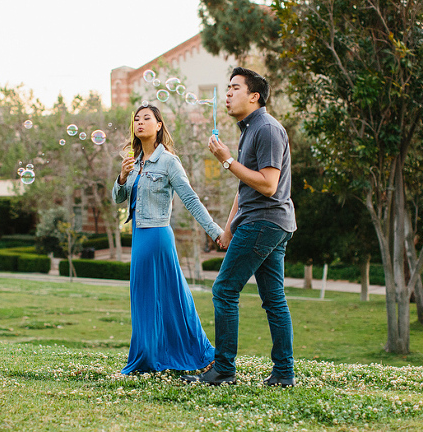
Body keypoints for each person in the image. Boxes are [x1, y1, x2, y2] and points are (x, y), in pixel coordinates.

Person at [183, 67, 297, 387]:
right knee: (274, 299)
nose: (228, 94)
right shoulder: (249, 129)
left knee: (224, 289)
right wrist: (230, 225)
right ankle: (284, 373)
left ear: (254, 96)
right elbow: (243, 188)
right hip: (265, 221)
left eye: (234, 88)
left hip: (264, 220)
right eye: (227, 88)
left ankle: (223, 369)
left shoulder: (267, 129)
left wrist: (225, 160)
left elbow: (269, 185)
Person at [112, 104, 225, 375]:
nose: (139, 123)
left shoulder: (169, 162)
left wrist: (215, 231)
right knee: (143, 298)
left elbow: (190, 199)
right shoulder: (134, 161)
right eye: (136, 119)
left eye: (146, 118)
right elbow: (118, 198)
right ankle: (147, 357)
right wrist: (122, 175)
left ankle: (194, 352)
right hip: (140, 235)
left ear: (159, 125)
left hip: (158, 236)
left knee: (172, 297)